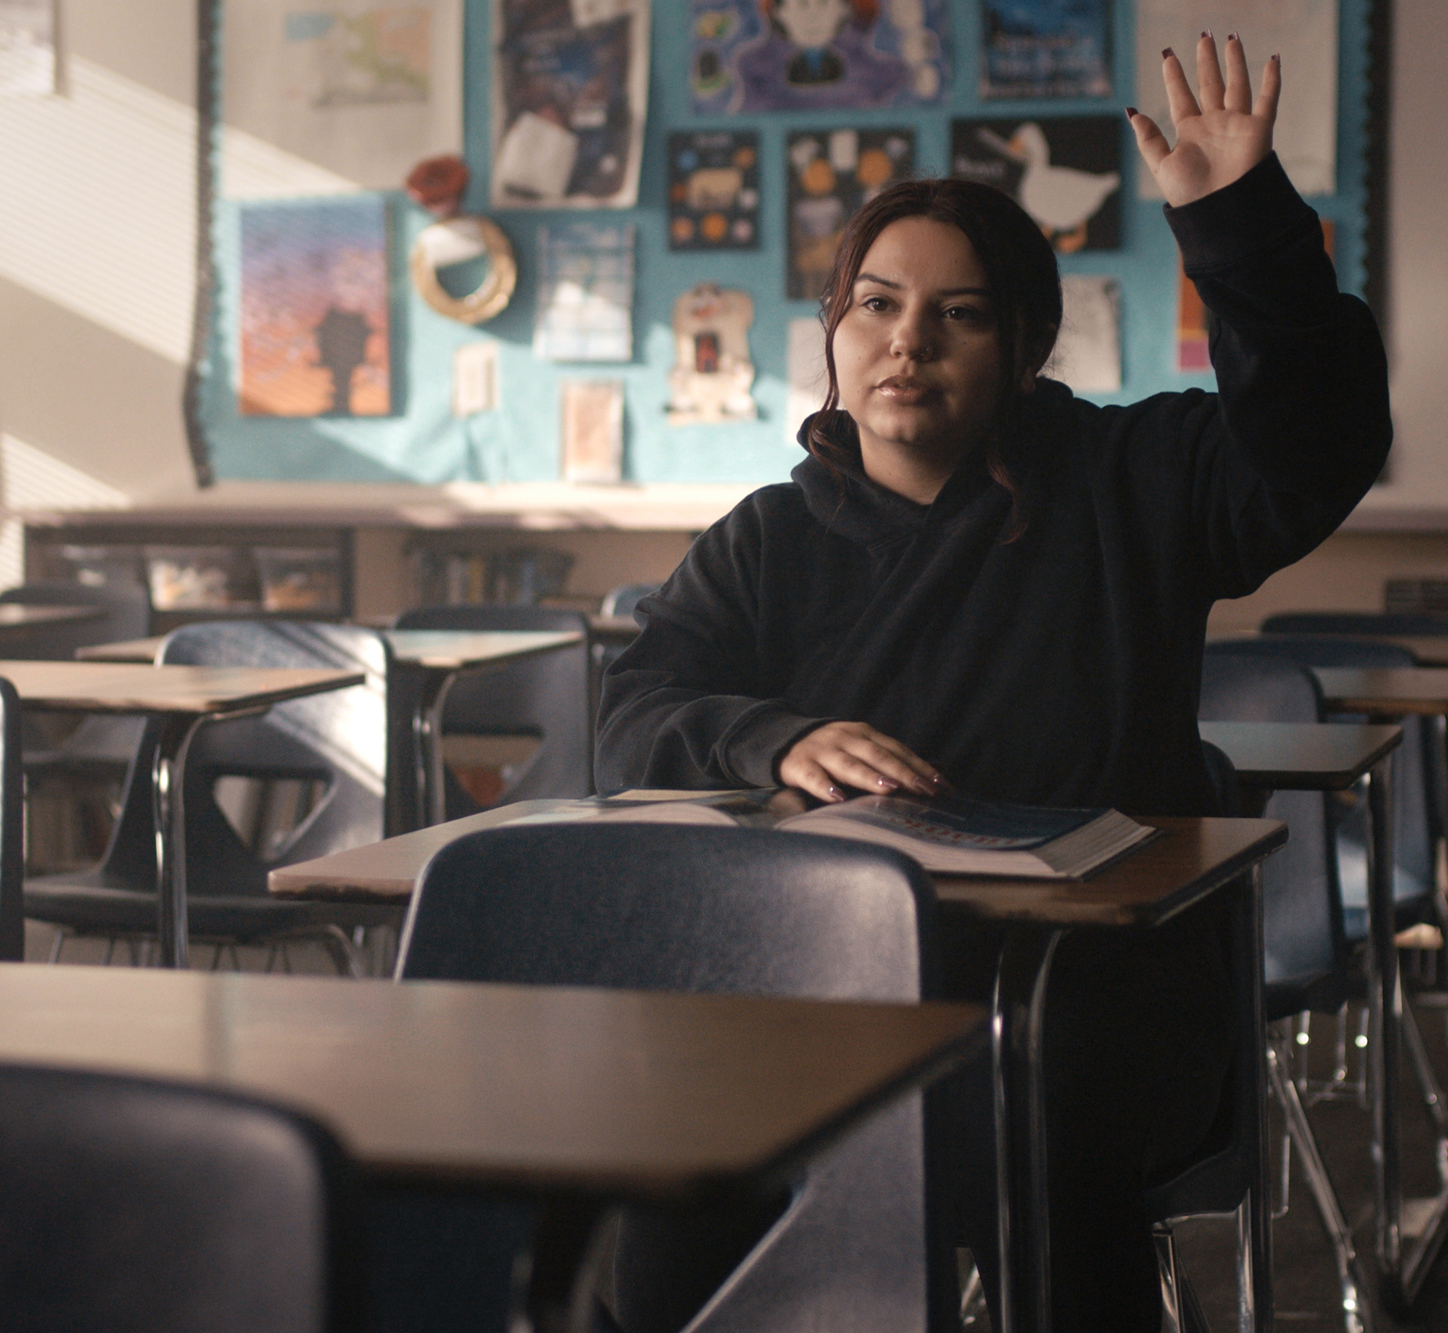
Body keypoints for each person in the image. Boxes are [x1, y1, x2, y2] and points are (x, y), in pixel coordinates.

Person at [597, 33, 1390, 1333]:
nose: (909, 342)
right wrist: (770, 739)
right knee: (674, 1126)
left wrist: (1241, 227)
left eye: (959, 313)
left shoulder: (1134, 483)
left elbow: (1317, 444)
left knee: (1031, 1090)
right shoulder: (766, 538)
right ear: (835, 338)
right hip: (823, 982)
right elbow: (634, 712)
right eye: (877, 306)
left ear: (1022, 347)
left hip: (1093, 997)